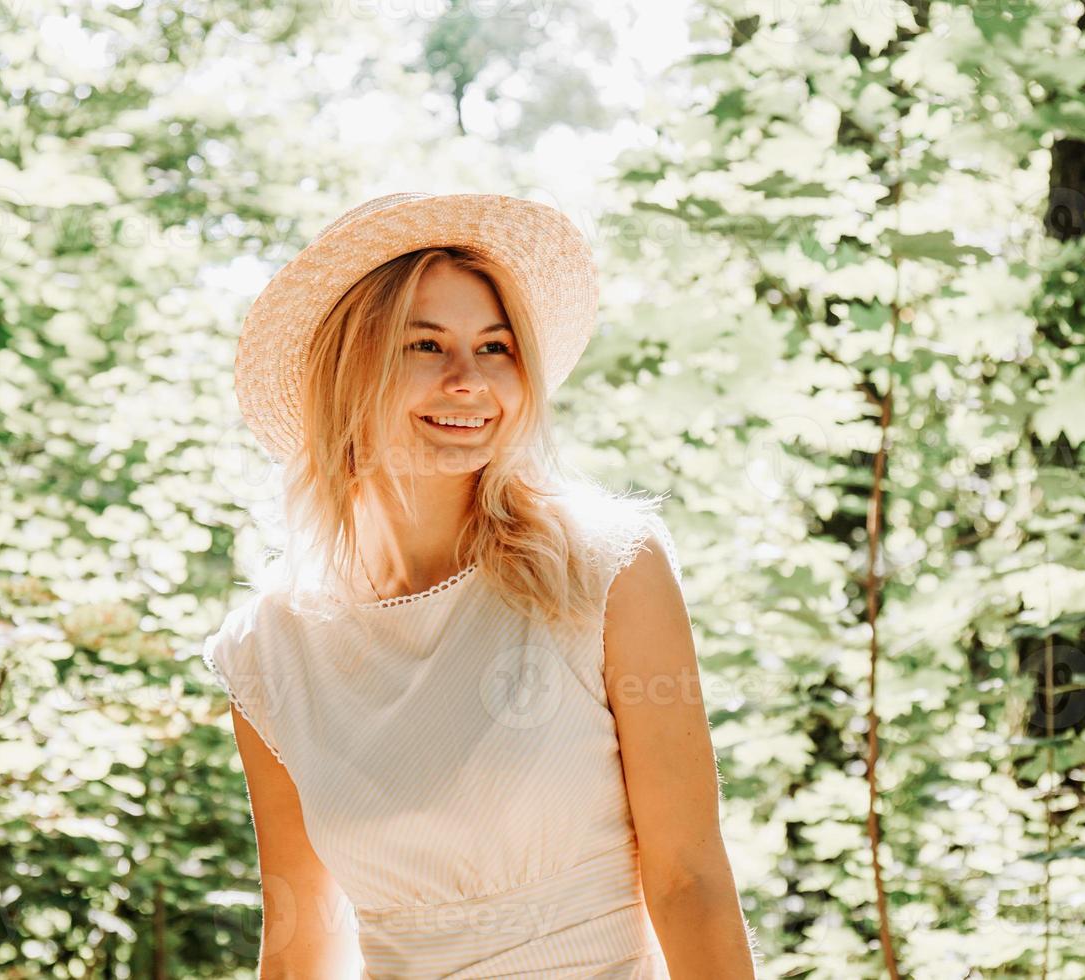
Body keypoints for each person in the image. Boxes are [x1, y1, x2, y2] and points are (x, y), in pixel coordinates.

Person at [202, 192, 758, 978]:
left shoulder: (607, 567)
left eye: (495, 347)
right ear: (344, 372)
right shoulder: (270, 650)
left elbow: (689, 878)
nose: (469, 379)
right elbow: (301, 940)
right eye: (424, 345)